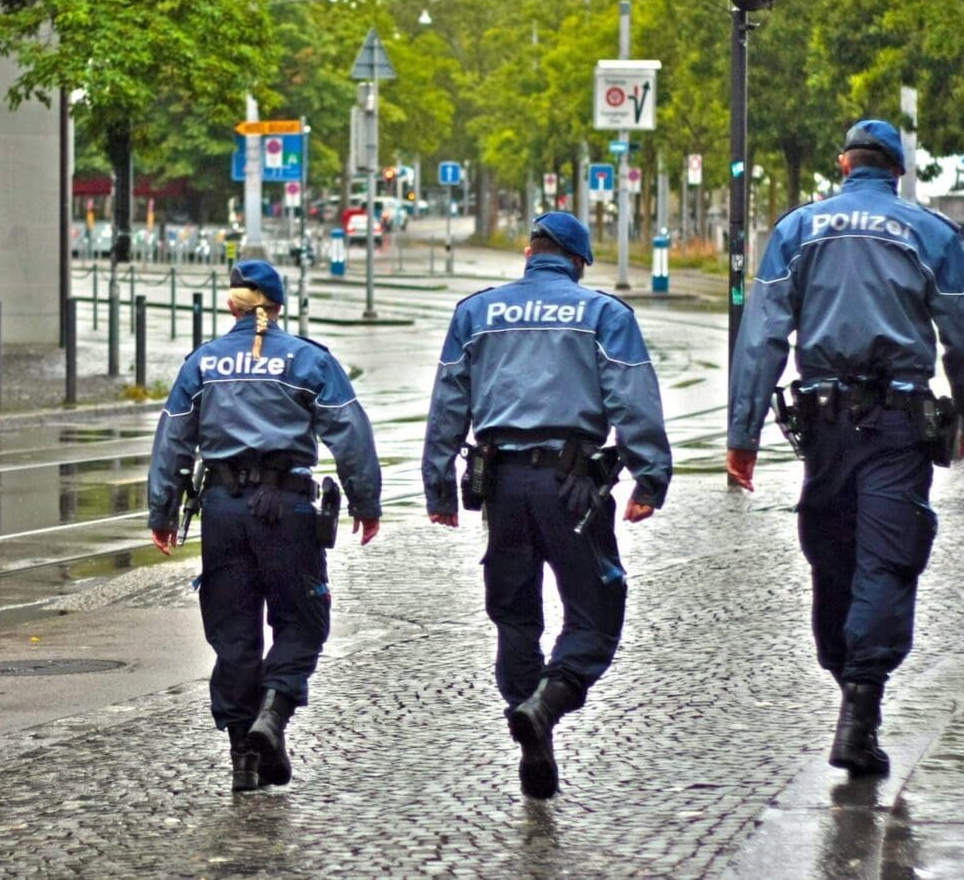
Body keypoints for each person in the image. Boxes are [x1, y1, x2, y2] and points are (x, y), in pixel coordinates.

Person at [725, 119, 964, 777]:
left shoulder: (797, 230)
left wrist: (743, 435)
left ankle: (850, 687)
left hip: (822, 427)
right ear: (896, 171)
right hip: (897, 425)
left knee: (833, 556)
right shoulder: (931, 233)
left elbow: (761, 335)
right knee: (887, 554)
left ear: (844, 163)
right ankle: (861, 700)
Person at [422, 212, 672, 799]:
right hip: (572, 487)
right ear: (578, 262)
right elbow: (631, 398)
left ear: (529, 253)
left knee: (514, 615)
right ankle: (548, 701)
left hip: (501, 485)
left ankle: (531, 724)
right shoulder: (604, 314)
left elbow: (448, 403)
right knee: (595, 610)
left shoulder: (476, 313)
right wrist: (650, 478)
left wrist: (437, 486)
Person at [147, 259, 382, 792]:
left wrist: (161, 513)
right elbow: (349, 431)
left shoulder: (202, 364)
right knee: (301, 621)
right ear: (276, 308)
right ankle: (272, 716)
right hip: (288, 509)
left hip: (223, 512)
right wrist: (366, 502)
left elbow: (173, 444)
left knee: (234, 635)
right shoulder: (307, 360)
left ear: (231, 304)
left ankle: (243, 762)